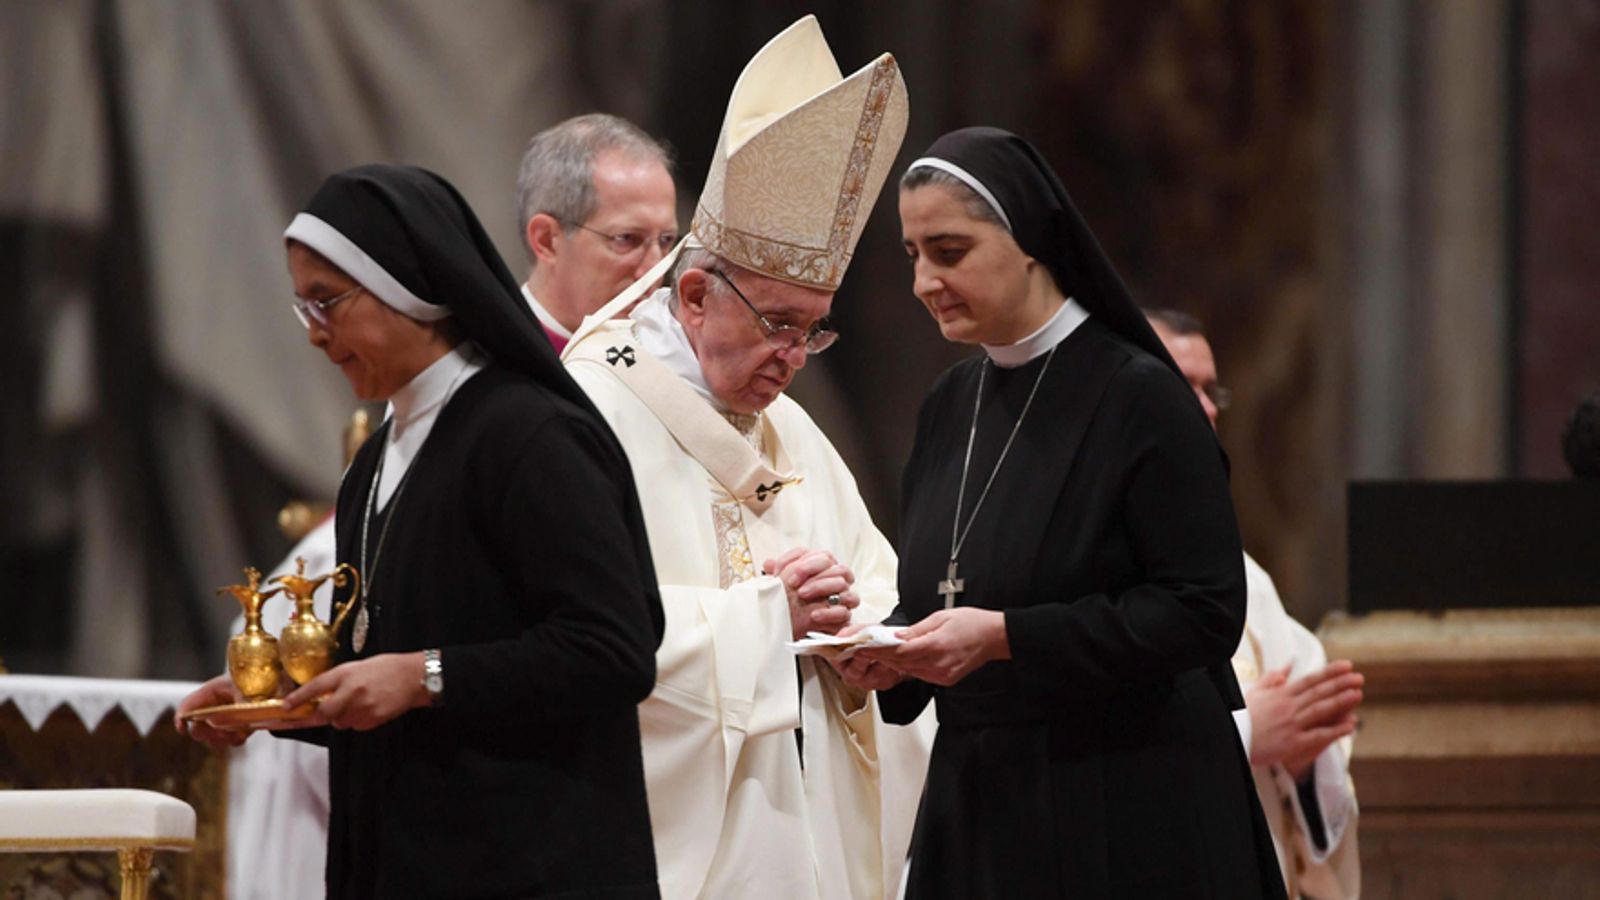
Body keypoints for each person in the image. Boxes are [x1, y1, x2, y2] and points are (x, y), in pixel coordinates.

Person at [175, 164, 665, 899]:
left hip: (531, 867)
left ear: (405, 285)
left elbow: (614, 649)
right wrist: (278, 701)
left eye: (326, 302)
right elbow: (392, 658)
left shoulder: (531, 435)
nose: (315, 336)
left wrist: (422, 677)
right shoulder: (376, 459)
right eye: (303, 309)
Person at [841, 126, 1285, 898]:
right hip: (982, 805)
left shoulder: (1140, 396)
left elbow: (1204, 611)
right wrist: (893, 658)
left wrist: (1006, 639)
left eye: (949, 251)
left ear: (1029, 240)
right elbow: (948, 587)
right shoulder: (950, 403)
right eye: (912, 255)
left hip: (1129, 801)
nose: (923, 282)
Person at [561, 16, 930, 899]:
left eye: (815, 331)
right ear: (694, 294)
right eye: (778, 324)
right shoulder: (587, 414)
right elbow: (572, 639)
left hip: (804, 830)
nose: (794, 358)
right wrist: (769, 622)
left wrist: (867, 645)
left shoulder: (793, 431)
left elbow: (877, 584)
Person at [1148, 307, 1363, 899]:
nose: (1208, 409)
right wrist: (1240, 734)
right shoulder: (1076, 566)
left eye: (1210, 390)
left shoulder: (1242, 577)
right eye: (1181, 385)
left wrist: (1304, 760)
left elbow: (1314, 777)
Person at [516, 113, 679, 353]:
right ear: (547, 240)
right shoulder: (491, 362)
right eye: (626, 239)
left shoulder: (674, 361)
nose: (654, 272)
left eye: (666, 241)